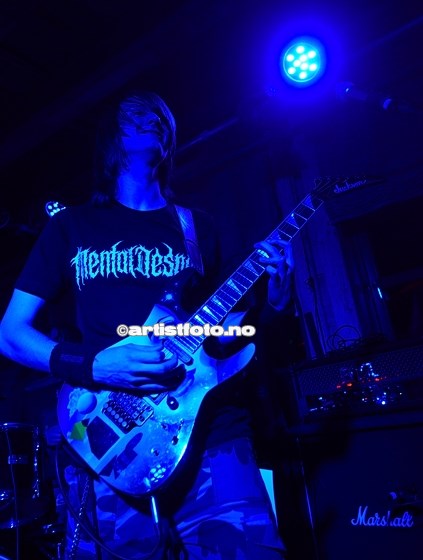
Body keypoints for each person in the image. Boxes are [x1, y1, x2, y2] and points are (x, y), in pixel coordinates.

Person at [0, 91, 293, 559]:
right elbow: (11, 333)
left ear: (170, 140)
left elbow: (220, 333)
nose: (152, 117)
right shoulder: (70, 227)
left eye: (160, 115)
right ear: (111, 139)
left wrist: (274, 304)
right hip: (111, 442)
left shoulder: (197, 228)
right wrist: (95, 366)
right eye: (135, 114)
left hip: (211, 435)